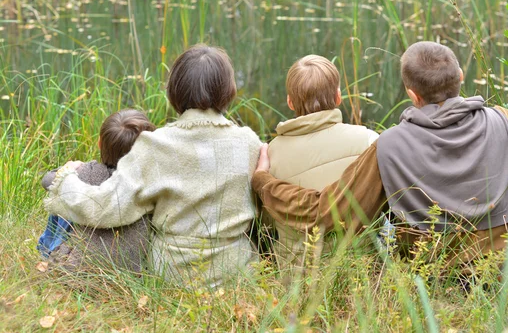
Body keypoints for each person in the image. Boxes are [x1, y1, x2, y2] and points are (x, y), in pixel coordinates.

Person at [252, 41, 508, 270]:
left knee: (389, 199)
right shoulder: (502, 120)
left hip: (438, 268)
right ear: (460, 76)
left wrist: (264, 182)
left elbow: (326, 211)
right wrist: (500, 155)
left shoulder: (389, 147)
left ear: (413, 95)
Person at [44, 44, 262, 287]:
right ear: (228, 90)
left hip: (173, 275)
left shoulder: (154, 145)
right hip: (235, 273)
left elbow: (108, 207)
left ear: (174, 91)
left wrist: (64, 181)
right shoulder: (250, 143)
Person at [266, 55, 379, 272]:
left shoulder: (271, 153)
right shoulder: (368, 141)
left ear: (290, 102)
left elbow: (268, 223)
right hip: (358, 274)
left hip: (296, 278)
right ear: (338, 97)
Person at [38, 109, 156, 273]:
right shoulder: (153, 182)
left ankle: (47, 250)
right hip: (132, 272)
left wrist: (71, 168)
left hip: (77, 270)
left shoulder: (90, 172)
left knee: (64, 194)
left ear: (100, 143)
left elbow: (47, 180)